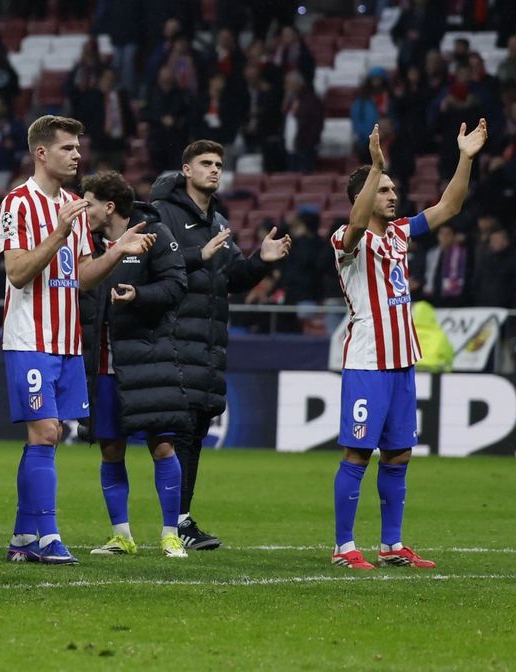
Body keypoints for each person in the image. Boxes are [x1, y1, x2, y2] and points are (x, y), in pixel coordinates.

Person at [0, 115, 154, 566]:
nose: (78, 155)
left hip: (67, 341)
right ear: (42, 153)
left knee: (50, 434)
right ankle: (48, 537)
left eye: (78, 147)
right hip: (30, 337)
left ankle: (24, 536)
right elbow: (17, 272)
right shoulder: (18, 203)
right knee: (46, 431)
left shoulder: (73, 205)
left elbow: (83, 278)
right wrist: (60, 233)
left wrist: (116, 251)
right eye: (68, 148)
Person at [329, 120, 486, 570]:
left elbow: (449, 207)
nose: (392, 195)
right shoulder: (346, 240)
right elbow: (358, 221)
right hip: (367, 361)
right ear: (363, 196)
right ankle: (343, 546)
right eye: (383, 189)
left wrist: (465, 158)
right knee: (358, 452)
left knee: (398, 453)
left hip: (401, 361)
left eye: (393, 188)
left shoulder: (398, 233)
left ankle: (392, 545)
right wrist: (375, 166)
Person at [150, 139, 290, 551]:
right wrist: (196, 254)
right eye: (205, 163)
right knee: (168, 436)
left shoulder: (217, 223)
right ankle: (151, 526)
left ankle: (180, 521)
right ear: (186, 170)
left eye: (219, 164)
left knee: (193, 434)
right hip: (173, 341)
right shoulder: (163, 216)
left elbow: (232, 278)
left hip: (208, 345)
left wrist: (261, 260)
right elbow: (158, 268)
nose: (214, 170)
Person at [75, 171, 190, 559]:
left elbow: (177, 286)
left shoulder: (155, 236)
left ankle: (170, 534)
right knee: (110, 449)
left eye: (88, 203)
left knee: (162, 446)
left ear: (109, 207)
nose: (82, 210)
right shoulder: (83, 244)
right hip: (102, 365)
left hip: (148, 360)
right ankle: (121, 535)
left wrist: (138, 294)